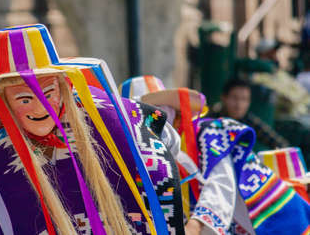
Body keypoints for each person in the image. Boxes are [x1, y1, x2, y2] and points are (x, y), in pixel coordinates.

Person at [0, 24, 185, 234]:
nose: (39, 108)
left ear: (65, 86)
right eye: (24, 99)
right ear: (2, 101)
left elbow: (165, 148)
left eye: (48, 93)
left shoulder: (107, 117)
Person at [120, 75, 310, 235]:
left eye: (153, 113)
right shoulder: (153, 155)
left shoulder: (209, 132)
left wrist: (194, 225)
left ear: (174, 112)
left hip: (283, 224)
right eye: (138, 117)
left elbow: (221, 185)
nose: (148, 122)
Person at [211, 78, 288, 151]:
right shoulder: (212, 119)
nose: (239, 105)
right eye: (234, 98)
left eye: (244, 99)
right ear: (223, 98)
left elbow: (280, 143)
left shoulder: (249, 120)